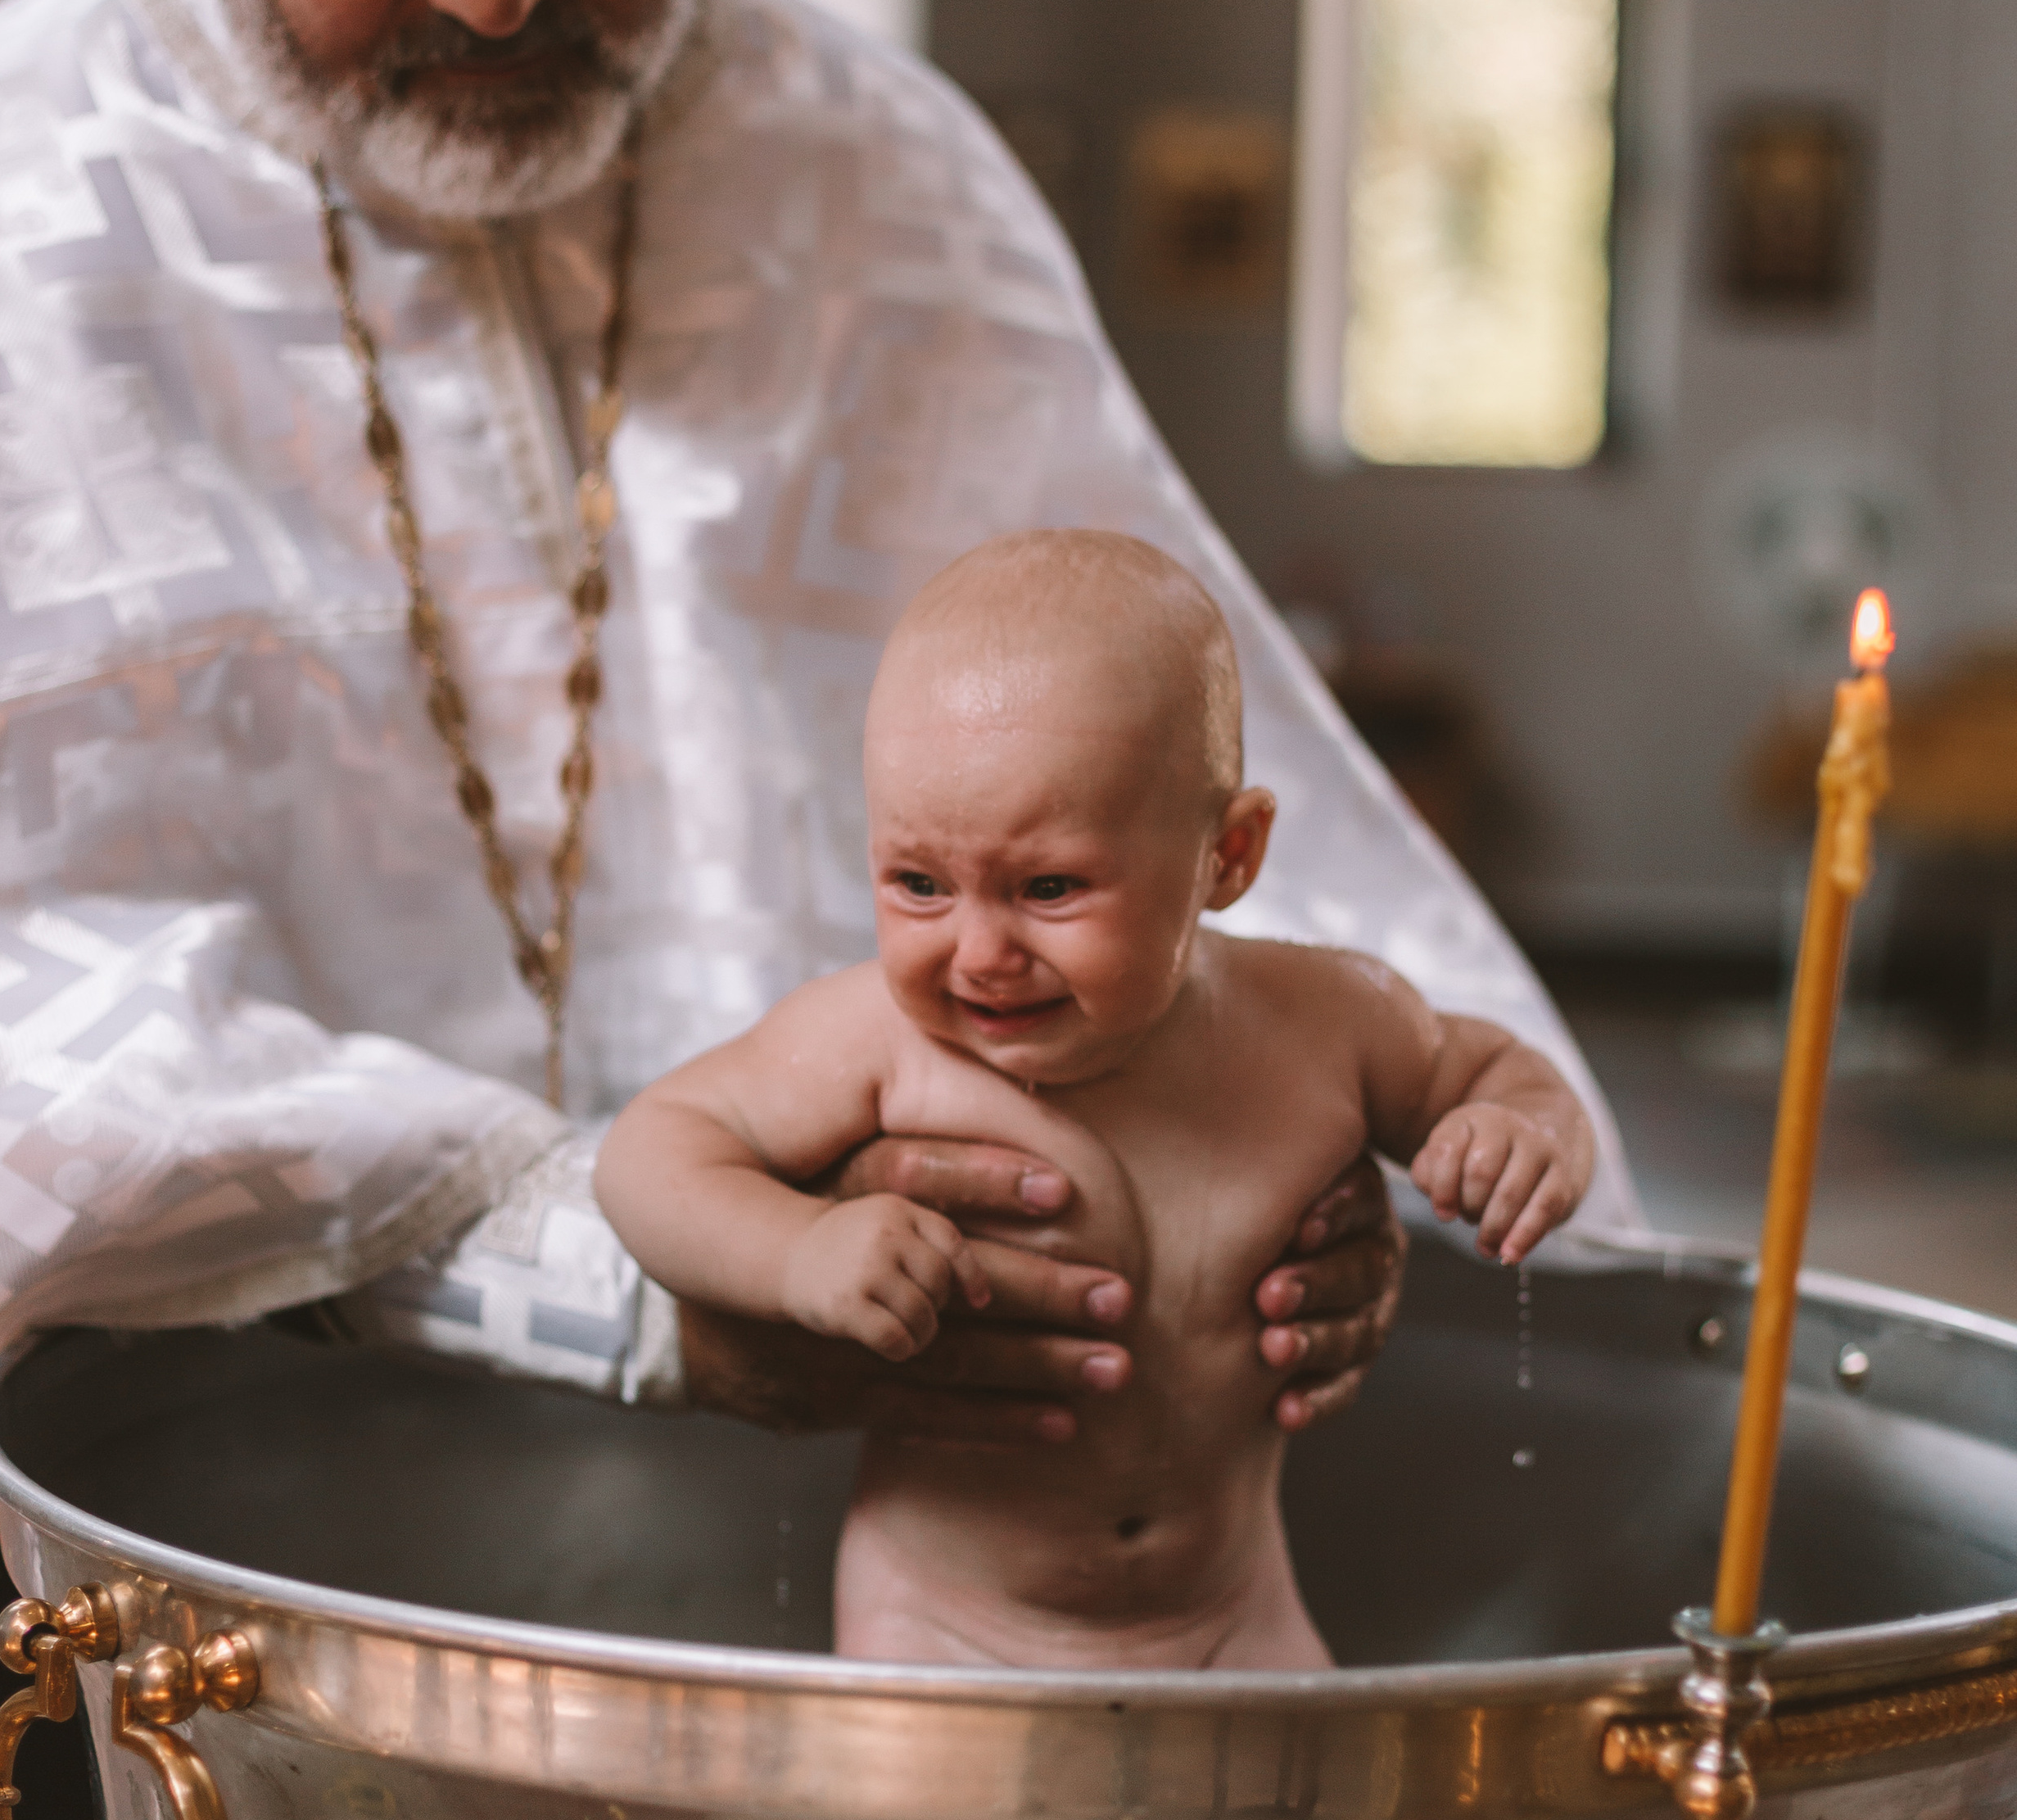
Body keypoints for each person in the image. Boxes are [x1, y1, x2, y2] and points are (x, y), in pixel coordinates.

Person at [0, 0, 1642, 1796]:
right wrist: (614, 1263)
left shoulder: (868, 170)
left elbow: (1177, 776)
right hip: (208, 1535)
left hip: (950, 1534)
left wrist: (1328, 1185)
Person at [600, 533, 1594, 1668]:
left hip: (1234, 1617)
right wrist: (797, 1251)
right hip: (943, 1627)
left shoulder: (1325, 1022)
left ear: (1228, 854)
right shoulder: (872, 1040)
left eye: (1051, 887)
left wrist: (1519, 1133)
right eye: (917, 883)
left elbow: (1494, 1073)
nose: (979, 952)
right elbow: (651, 1151)